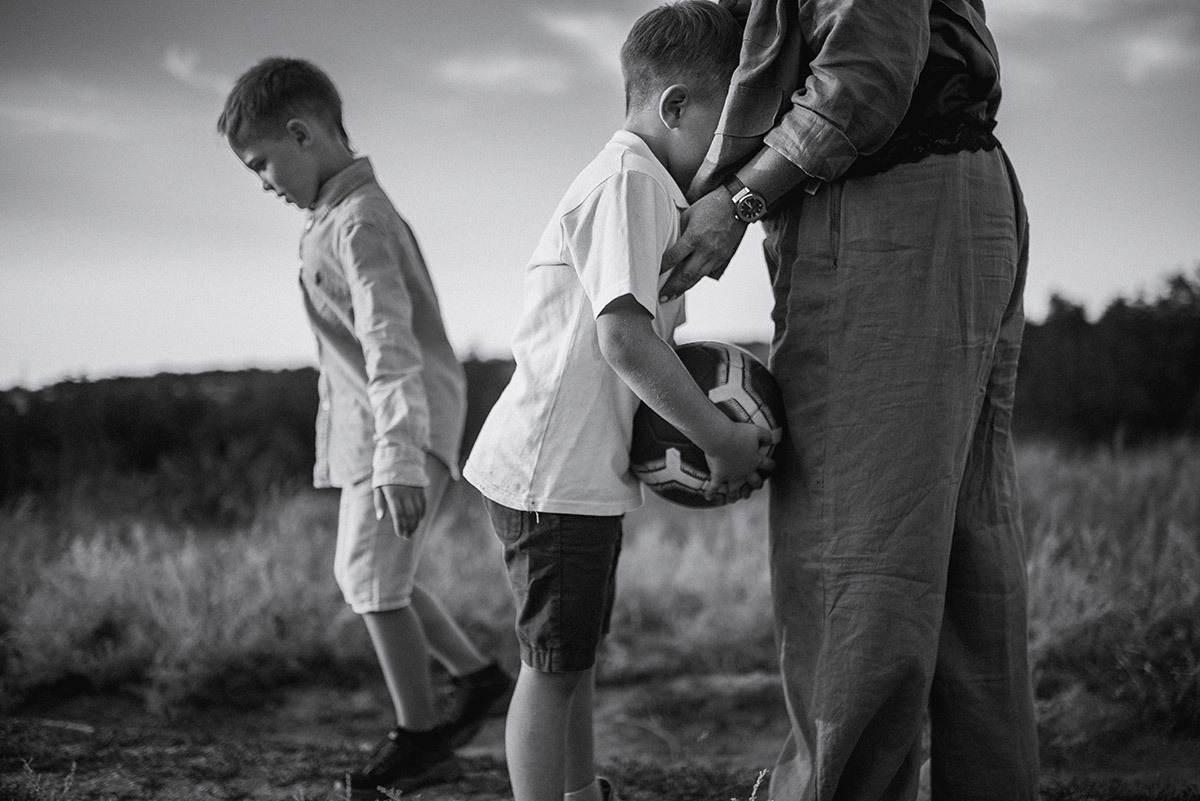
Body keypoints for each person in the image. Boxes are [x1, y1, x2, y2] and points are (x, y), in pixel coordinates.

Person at [659, 2, 1038, 799]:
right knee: (963, 555)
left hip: (886, 208)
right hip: (944, 196)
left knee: (850, 553)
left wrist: (737, 202)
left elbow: (862, 74)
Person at [463, 4, 771, 800]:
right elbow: (627, 341)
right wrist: (719, 439)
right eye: (726, 124)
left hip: (572, 475)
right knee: (551, 673)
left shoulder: (641, 183)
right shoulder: (631, 179)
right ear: (674, 107)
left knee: (571, 664)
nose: (734, 149)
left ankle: (578, 791)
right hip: (553, 475)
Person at [217, 58, 513, 798]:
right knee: (372, 577)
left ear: (301, 133)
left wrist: (400, 455)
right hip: (372, 431)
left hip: (401, 431)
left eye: (262, 164)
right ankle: (476, 681)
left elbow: (389, 341)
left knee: (375, 583)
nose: (262, 182)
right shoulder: (335, 217)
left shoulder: (360, 221)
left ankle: (422, 739)